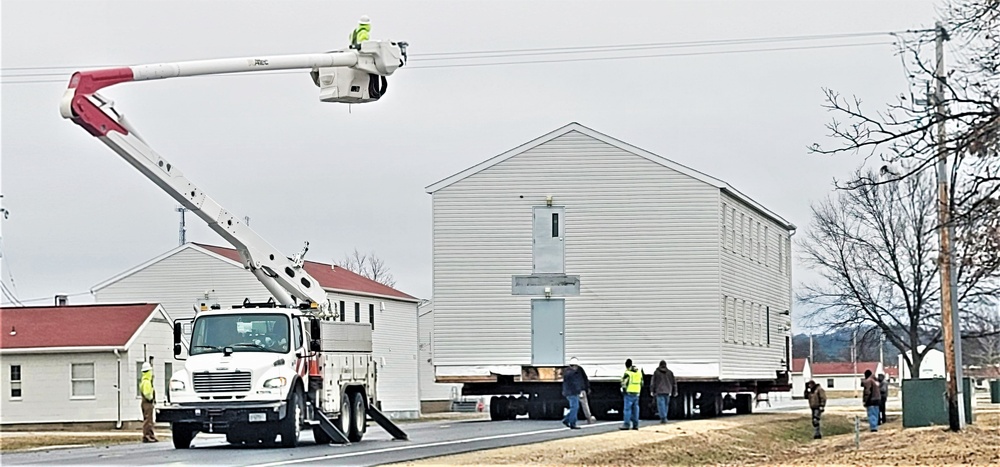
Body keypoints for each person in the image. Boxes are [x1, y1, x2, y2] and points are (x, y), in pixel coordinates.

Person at [347, 15, 387, 99]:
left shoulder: (355, 31)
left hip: (354, 54)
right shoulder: (364, 33)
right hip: (362, 56)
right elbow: (364, 46)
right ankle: (372, 92)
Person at [568, 357, 596, 424]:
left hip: (578, 390)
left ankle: (588, 418)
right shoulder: (576, 370)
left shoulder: (570, 371)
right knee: (578, 406)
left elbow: (584, 379)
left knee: (579, 406)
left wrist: (586, 388)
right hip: (576, 391)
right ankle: (587, 418)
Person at [561, 358, 586, 429]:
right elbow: (575, 384)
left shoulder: (567, 372)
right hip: (572, 392)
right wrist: (580, 391)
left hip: (569, 392)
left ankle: (566, 420)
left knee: (574, 407)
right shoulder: (572, 374)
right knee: (575, 407)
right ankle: (572, 423)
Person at [650, 360, 677, 424]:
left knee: (660, 405)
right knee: (666, 405)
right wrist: (674, 391)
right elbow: (674, 383)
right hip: (668, 391)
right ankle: (665, 417)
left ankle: (663, 418)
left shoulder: (656, 372)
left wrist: (652, 390)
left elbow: (653, 382)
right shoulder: (670, 372)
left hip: (659, 391)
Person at [619, 359, 643, 430]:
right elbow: (642, 382)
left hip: (629, 392)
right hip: (637, 392)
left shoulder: (628, 373)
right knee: (636, 409)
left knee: (627, 409)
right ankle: (636, 425)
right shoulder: (638, 372)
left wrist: (623, 390)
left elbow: (624, 383)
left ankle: (626, 424)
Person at [139, 361, 158, 443]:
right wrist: (151, 399)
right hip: (147, 403)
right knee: (148, 420)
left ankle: (151, 435)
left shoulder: (144, 381)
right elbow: (147, 393)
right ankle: (147, 436)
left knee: (149, 420)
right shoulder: (146, 382)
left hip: (145, 403)